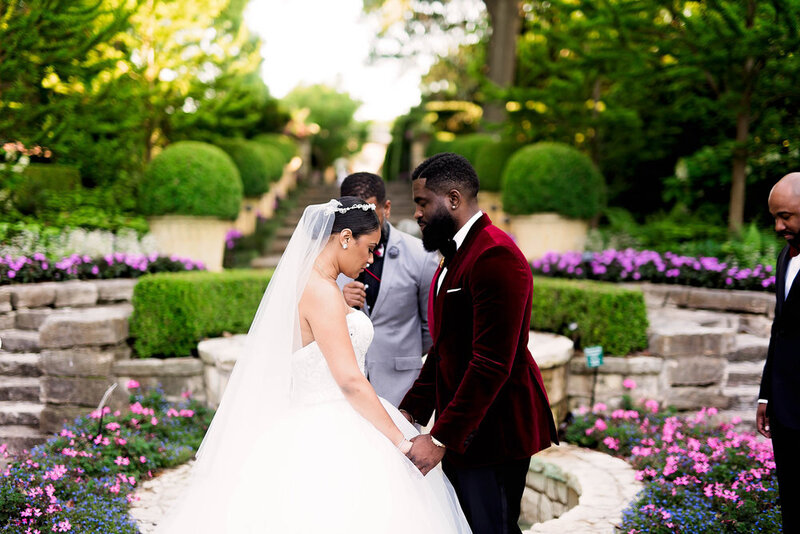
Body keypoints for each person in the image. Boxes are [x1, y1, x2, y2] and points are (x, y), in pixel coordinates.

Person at [155, 196, 471, 533]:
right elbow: (349, 379)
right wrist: (402, 443)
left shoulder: (316, 284)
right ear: (345, 237)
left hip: (327, 415)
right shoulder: (320, 291)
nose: (371, 257)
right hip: (329, 426)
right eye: (369, 247)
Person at [399, 153, 558, 534]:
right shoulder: (453, 257)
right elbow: (444, 349)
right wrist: (410, 411)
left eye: (423, 203)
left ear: (453, 199)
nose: (417, 214)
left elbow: (491, 362)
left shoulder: (495, 254)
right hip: (466, 433)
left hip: (496, 435)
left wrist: (439, 438)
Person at [338, 172, 439, 406]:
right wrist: (339, 302)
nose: (362, 225)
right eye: (354, 216)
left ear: (387, 208)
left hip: (401, 388)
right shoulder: (325, 259)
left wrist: (401, 353)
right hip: (344, 391)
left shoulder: (421, 255)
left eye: (371, 211)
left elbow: (430, 327)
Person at [757, 171, 800, 532]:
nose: (778, 226)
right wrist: (765, 394)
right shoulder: (785, 258)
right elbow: (779, 329)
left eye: (786, 216)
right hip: (785, 410)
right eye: (775, 217)